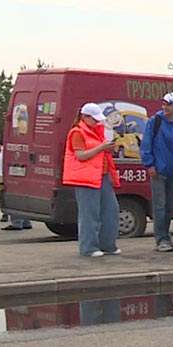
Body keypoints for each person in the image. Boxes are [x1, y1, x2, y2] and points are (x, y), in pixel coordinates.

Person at [64, 104, 122, 256]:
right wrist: (101, 147)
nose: (97, 122)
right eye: (94, 119)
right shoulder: (76, 132)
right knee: (89, 214)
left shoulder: (96, 132)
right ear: (85, 117)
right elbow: (80, 155)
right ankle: (88, 248)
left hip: (101, 176)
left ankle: (108, 244)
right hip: (85, 178)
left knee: (111, 210)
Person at [140, 92, 173, 252]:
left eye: (168, 104)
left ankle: (166, 236)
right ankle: (160, 239)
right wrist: (149, 164)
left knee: (169, 206)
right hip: (158, 170)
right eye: (163, 104)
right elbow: (146, 143)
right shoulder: (155, 121)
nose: (165, 107)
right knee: (159, 205)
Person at [0, 136, 33, 230]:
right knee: (23, 193)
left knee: (13, 194)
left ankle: (17, 222)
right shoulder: (24, 138)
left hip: (12, 170)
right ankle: (25, 220)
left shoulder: (9, 147)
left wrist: (2, 180)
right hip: (22, 168)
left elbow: (1, 159)